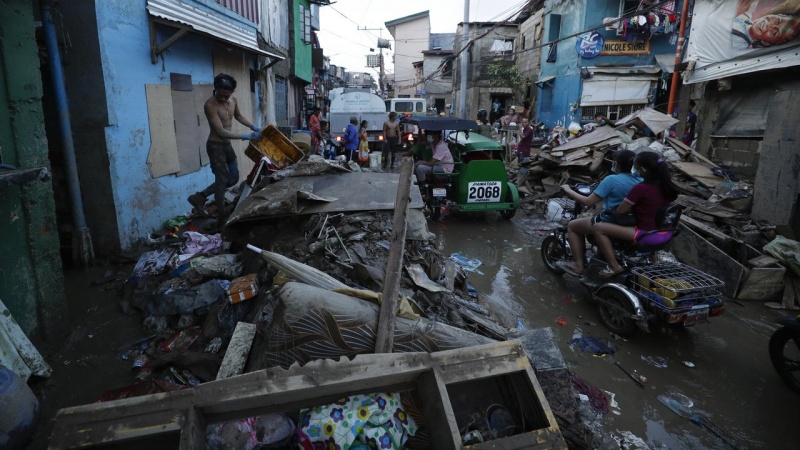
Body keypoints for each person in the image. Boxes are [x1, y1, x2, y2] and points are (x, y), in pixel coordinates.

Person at [591, 151, 679, 277]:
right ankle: (654, 258)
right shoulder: (666, 187)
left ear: (643, 169)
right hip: (665, 234)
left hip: (645, 234)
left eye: (636, 167)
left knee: (598, 228)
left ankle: (614, 266)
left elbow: (621, 210)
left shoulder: (641, 188)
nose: (634, 170)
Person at [188, 73, 260, 227]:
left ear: (232, 92)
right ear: (215, 89)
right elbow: (220, 131)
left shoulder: (233, 100)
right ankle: (222, 218)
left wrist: (253, 126)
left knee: (233, 178)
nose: (223, 99)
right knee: (221, 181)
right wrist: (246, 136)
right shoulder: (210, 105)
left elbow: (239, 116)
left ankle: (200, 197)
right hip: (215, 146)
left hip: (227, 145)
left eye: (226, 96)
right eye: (220, 95)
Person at [556, 150, 641, 276]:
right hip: (630, 221)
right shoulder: (640, 180)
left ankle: (578, 265)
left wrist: (568, 190)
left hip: (612, 220)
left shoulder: (611, 180)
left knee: (572, 226)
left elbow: (588, 201)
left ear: (616, 163)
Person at [732, 0, 800, 49]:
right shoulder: (746, 15)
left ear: (766, 42)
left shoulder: (740, 41)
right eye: (777, 21)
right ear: (778, 14)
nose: (770, 26)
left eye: (774, 32)